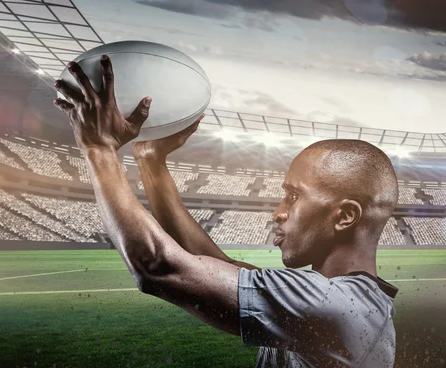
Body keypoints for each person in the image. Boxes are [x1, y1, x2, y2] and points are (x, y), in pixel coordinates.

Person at [53, 55, 399, 368]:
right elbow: (211, 262)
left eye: (293, 196)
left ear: (344, 216)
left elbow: (159, 267)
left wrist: (99, 149)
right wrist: (151, 161)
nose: (277, 213)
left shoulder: (334, 307)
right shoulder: (344, 300)